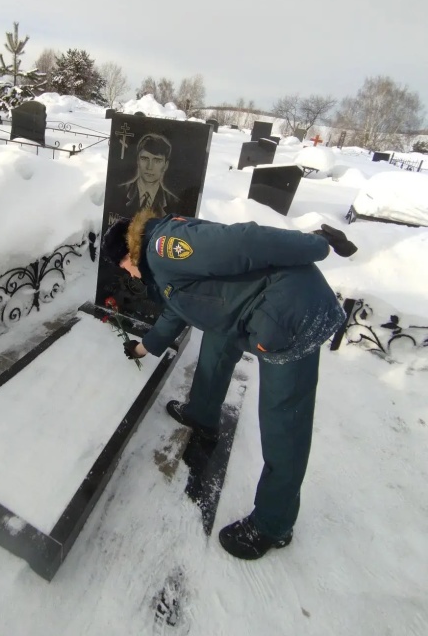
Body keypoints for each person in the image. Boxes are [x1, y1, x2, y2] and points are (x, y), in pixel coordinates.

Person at [100, 210, 357, 560]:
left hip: (292, 315)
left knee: (285, 425)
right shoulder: (159, 259)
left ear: (128, 256)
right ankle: (202, 414)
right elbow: (179, 307)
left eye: (124, 268)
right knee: (218, 338)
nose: (128, 274)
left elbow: (246, 241)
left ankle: (272, 524)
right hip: (254, 307)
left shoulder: (164, 247)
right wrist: (144, 346)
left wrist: (318, 244)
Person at [119, 133, 179, 217]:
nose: (149, 167)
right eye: (144, 159)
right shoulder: (118, 192)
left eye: (157, 160)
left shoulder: (174, 203)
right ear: (138, 161)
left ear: (166, 165)